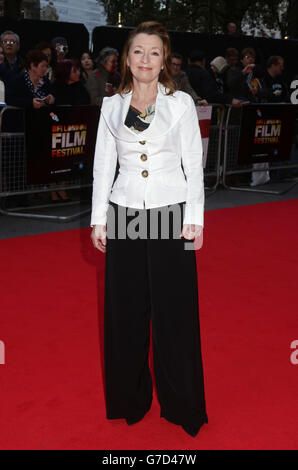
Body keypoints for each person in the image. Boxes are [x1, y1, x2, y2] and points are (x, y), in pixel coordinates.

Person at [90, 21, 208, 438]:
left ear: (165, 61)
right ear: (126, 58)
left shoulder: (180, 105)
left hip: (169, 213)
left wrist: (195, 218)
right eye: (138, 51)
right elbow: (104, 165)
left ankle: (182, 404)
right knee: (126, 314)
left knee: (175, 315)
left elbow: (193, 163)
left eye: (154, 53)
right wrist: (98, 219)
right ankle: (131, 400)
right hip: (125, 212)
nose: (145, 60)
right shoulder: (112, 106)